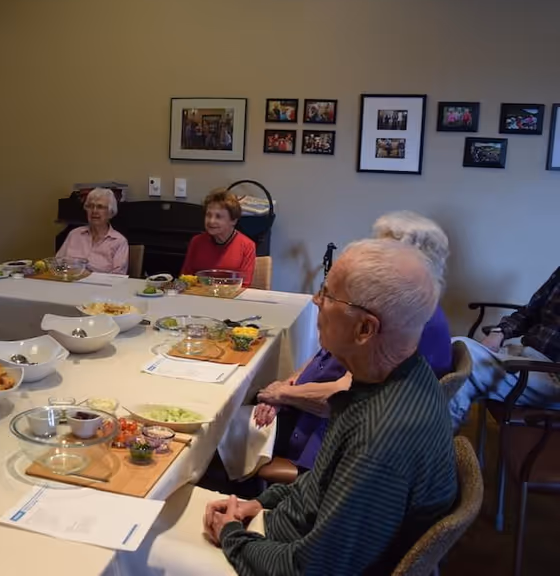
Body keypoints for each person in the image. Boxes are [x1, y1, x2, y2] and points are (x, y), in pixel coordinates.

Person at [204, 240, 457, 575]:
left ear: (365, 329)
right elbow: (320, 485)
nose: (315, 300)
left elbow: (308, 569)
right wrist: (259, 503)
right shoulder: (399, 375)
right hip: (286, 535)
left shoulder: (379, 440)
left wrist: (231, 534)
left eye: (327, 294)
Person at [250, 211, 452, 475]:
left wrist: (282, 395)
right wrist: (290, 383)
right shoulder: (396, 310)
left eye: (382, 250)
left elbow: (343, 395)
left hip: (318, 441)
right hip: (304, 416)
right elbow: (326, 354)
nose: (373, 255)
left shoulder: (406, 321)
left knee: (225, 429)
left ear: (412, 263)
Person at [450, 267, 560, 429]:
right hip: (526, 356)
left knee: (462, 352)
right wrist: (499, 332)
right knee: (457, 355)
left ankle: (435, 446)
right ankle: (438, 444)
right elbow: (528, 313)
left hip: (552, 376)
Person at [180, 188, 255, 285]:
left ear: (233, 220)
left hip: (230, 297)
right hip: (200, 296)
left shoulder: (247, 246)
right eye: (208, 215)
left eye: (218, 217)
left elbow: (244, 285)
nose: (211, 221)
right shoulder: (196, 242)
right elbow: (185, 279)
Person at [56, 187, 128, 274]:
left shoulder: (119, 242)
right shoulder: (74, 234)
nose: (94, 211)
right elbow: (57, 265)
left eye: (100, 207)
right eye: (90, 206)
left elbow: (118, 277)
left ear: (110, 213)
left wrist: (87, 275)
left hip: (101, 287)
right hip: (70, 284)